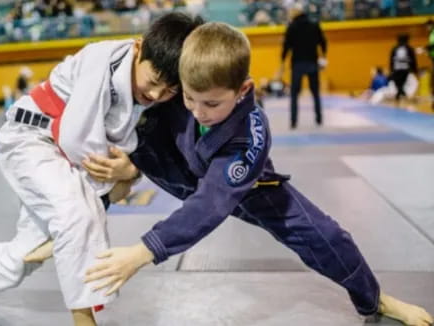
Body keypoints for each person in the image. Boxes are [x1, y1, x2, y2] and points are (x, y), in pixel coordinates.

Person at [75, 22, 431, 326]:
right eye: (188, 98)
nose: (198, 112)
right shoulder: (182, 89)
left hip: (247, 188)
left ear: (242, 90)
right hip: (178, 168)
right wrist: (133, 168)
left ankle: (375, 299)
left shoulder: (250, 134)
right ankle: (70, 221)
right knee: (110, 146)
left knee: (328, 236)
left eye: (212, 103)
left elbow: (211, 204)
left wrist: (141, 252)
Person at [0, 12, 202, 326]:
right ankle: (83, 319)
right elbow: (77, 138)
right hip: (31, 139)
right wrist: (117, 183)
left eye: (169, 90)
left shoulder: (148, 88)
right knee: (78, 216)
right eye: (154, 82)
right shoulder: (101, 60)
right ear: (138, 48)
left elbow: (138, 151)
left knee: (31, 251)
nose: (156, 95)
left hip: (64, 153)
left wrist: (129, 172)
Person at [280, 3, 327, 129]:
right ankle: (319, 118)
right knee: (315, 93)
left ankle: (293, 121)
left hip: (297, 64)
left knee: (294, 94)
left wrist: (283, 60)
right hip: (312, 62)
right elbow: (323, 42)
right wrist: (323, 56)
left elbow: (286, 46)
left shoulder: (292, 27)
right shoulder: (314, 25)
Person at [389, 34, 417, 102]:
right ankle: (403, 95)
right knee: (403, 83)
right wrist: (414, 69)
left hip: (397, 69)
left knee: (399, 84)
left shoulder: (395, 48)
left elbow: (391, 60)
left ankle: (400, 95)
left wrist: (391, 69)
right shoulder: (409, 48)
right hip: (405, 69)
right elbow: (413, 59)